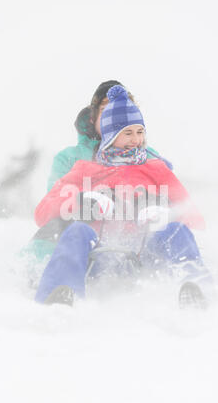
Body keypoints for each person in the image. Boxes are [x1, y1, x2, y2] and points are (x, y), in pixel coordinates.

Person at [34, 85, 214, 308]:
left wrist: (165, 212)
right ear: (109, 136)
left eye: (140, 132)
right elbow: (43, 212)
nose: (136, 139)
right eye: (127, 133)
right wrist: (80, 203)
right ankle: (58, 300)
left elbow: (195, 219)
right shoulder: (85, 170)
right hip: (97, 257)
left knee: (176, 231)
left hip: (146, 255)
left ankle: (197, 293)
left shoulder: (156, 169)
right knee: (77, 232)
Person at [22, 80, 165, 272]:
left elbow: (177, 204)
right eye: (107, 109)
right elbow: (51, 209)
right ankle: (44, 275)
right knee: (57, 227)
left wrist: (157, 206)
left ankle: (187, 278)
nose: (114, 116)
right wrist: (82, 204)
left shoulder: (149, 158)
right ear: (93, 116)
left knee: (171, 231)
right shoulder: (70, 159)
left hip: (137, 240)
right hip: (83, 237)